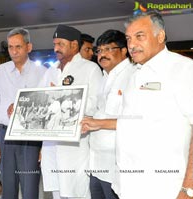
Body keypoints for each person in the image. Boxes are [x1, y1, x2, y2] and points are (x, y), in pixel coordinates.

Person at [82, 11, 193, 199]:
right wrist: (96, 123)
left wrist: (188, 189)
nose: (132, 44)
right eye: (128, 38)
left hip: (165, 188)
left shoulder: (183, 69)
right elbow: (130, 124)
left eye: (140, 36)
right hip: (127, 188)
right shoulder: (135, 75)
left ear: (161, 36)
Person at [39, 24, 102, 198]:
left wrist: (62, 98)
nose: (55, 48)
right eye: (54, 44)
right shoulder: (50, 72)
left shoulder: (90, 69)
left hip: (74, 144)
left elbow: (95, 105)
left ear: (74, 45)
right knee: (57, 191)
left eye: (60, 44)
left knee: (77, 191)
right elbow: (38, 100)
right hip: (51, 144)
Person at [0, 27, 46, 199]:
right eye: (10, 47)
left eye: (18, 47)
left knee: (30, 187)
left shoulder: (42, 72)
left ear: (28, 47)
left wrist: (44, 145)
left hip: (31, 135)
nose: (13, 51)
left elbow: (46, 108)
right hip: (5, 134)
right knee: (7, 186)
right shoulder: (0, 71)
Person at [80, 29, 134, 199]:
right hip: (96, 163)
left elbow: (135, 121)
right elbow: (98, 112)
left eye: (108, 49)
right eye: (99, 51)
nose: (102, 55)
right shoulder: (103, 77)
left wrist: (97, 123)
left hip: (117, 167)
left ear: (124, 50)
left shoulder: (133, 76)